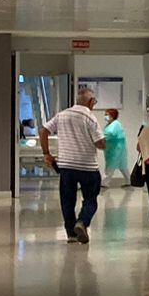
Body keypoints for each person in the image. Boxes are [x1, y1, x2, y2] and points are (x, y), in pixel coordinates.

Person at [38, 85, 106, 243]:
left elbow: (43, 131)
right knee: (90, 199)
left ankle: (71, 233)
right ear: (89, 101)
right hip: (88, 166)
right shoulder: (89, 117)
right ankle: (82, 222)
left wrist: (46, 153)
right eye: (94, 101)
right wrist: (103, 143)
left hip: (66, 166)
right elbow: (100, 143)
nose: (94, 104)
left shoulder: (62, 115)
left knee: (67, 200)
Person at [102, 107, 128, 183]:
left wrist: (101, 138)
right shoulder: (109, 125)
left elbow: (110, 134)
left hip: (116, 149)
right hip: (112, 148)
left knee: (110, 166)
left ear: (112, 115)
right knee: (123, 166)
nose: (105, 116)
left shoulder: (115, 124)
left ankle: (104, 182)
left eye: (107, 114)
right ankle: (129, 181)